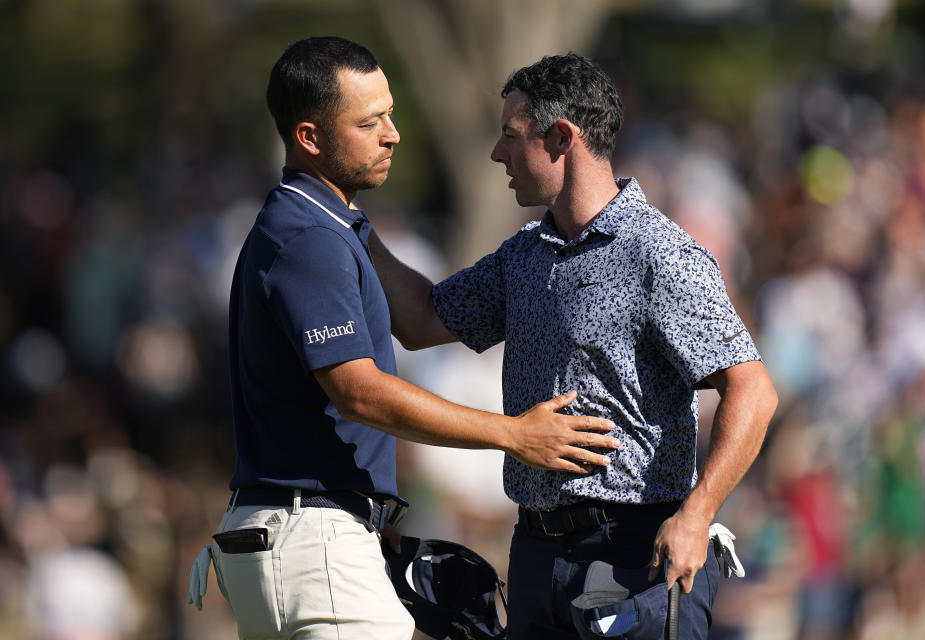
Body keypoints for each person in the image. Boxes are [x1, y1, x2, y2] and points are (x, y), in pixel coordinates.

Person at [190, 37, 621, 640]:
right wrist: (513, 434)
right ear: (310, 138)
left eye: (389, 114)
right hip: (312, 542)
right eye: (369, 123)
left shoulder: (327, 224)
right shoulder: (311, 239)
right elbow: (359, 393)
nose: (392, 134)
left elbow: (418, 321)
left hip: (301, 536)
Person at [370, 52, 779, 639]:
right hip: (538, 550)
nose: (497, 153)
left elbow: (753, 390)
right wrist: (350, 223)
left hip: (635, 551)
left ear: (562, 137)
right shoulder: (526, 253)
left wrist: (698, 515)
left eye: (511, 136)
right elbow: (419, 319)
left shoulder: (658, 252)